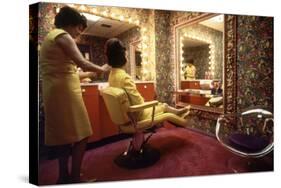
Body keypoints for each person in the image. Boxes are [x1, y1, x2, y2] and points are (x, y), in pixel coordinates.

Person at [39, 6, 110, 184]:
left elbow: (70, 72)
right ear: (71, 24)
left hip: (55, 90)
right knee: (82, 134)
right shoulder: (62, 36)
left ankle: (63, 177)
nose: (78, 33)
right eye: (79, 28)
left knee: (64, 137)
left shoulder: (51, 38)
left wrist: (91, 74)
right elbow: (82, 63)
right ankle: (75, 178)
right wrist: (101, 69)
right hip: (64, 92)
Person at [104, 38, 190, 124]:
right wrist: (144, 100)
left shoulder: (111, 76)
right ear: (122, 58)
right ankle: (178, 114)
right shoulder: (125, 78)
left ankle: (178, 114)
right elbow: (139, 102)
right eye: (126, 56)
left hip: (127, 115)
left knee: (158, 104)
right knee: (163, 106)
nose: (127, 58)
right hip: (138, 116)